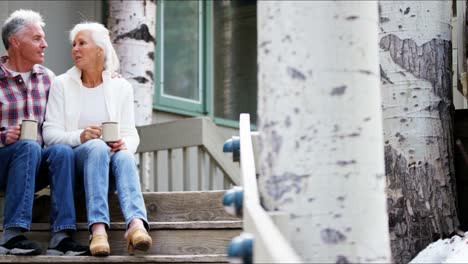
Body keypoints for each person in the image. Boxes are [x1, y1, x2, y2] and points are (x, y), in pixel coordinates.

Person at [43, 22, 152, 257]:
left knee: (123, 155)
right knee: (95, 146)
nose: (75, 49)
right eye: (73, 44)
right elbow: (49, 134)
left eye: (82, 43)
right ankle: (98, 228)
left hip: (108, 172)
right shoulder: (61, 84)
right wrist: (80, 136)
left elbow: (131, 133)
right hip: (76, 172)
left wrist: (125, 144)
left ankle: (136, 225)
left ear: (100, 50)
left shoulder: (120, 86)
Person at [0, 10, 88, 255]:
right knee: (28, 146)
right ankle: (12, 235)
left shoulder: (49, 78)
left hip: (33, 166)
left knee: (60, 151)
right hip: (3, 161)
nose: (45, 44)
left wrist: (108, 77)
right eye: (37, 38)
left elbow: (82, 95)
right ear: (15, 42)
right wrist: (3, 136)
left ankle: (61, 236)